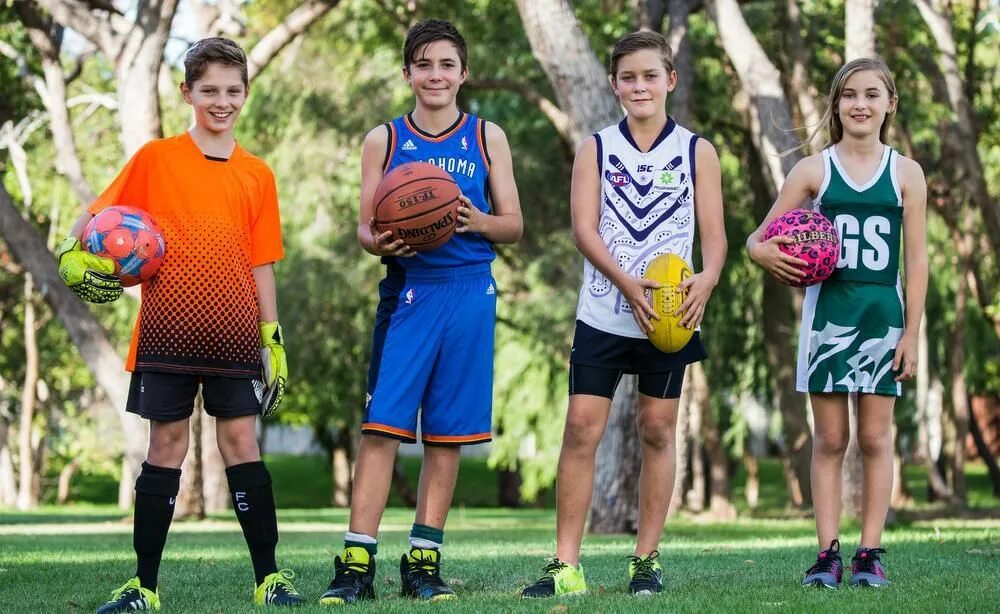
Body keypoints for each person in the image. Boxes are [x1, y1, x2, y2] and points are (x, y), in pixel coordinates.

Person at [57, 37, 303, 612]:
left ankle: (269, 579)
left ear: (246, 93)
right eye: (210, 90)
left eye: (233, 91)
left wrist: (273, 336)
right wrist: (72, 255)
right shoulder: (155, 158)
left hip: (236, 331)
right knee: (165, 446)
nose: (222, 102)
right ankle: (144, 586)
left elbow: (262, 260)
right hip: (165, 329)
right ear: (187, 92)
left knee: (242, 442)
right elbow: (93, 217)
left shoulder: (256, 174)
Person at [317, 19, 523, 605]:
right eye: (424, 65)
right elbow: (365, 225)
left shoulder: (487, 137)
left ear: (464, 74)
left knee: (447, 436)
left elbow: (514, 223)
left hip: (470, 292)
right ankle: (356, 563)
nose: (436, 75)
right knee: (381, 430)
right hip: (410, 291)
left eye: (447, 65)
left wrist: (477, 221)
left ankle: (423, 562)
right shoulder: (383, 138)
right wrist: (378, 241)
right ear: (407, 73)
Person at [521, 30, 726, 598]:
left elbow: (715, 239)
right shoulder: (597, 148)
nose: (640, 86)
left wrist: (705, 280)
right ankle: (566, 565)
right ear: (614, 85)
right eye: (628, 77)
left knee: (658, 430)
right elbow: (584, 230)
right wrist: (625, 284)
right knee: (581, 428)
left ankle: (646, 560)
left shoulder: (695, 151)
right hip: (605, 312)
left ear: (670, 80)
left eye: (650, 76)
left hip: (670, 315)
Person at [747, 57, 928, 589]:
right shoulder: (813, 171)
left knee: (876, 438)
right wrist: (765, 255)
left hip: (883, 317)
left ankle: (870, 552)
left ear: (889, 104)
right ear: (836, 104)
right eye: (850, 95)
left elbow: (916, 262)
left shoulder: (905, 173)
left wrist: (912, 333)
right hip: (827, 316)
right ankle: (827, 553)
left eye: (872, 94)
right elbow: (759, 238)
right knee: (829, 440)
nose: (860, 104)